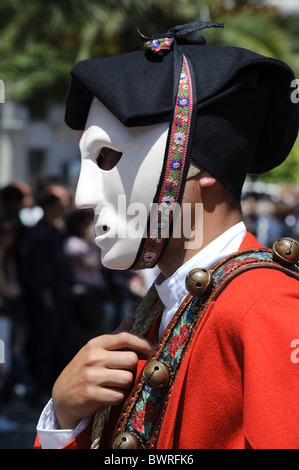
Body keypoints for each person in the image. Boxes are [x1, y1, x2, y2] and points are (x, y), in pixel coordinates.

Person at [36, 21, 299, 449]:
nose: (83, 197)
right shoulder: (162, 308)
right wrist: (64, 415)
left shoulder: (268, 309)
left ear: (203, 170)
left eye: (108, 156)